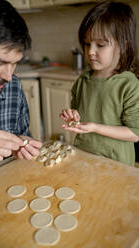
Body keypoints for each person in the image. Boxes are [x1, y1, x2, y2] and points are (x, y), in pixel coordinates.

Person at [60, 1, 139, 166]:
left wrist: (95, 128)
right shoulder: (82, 81)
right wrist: (72, 116)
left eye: (100, 45)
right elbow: (79, 112)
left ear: (123, 45)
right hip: (83, 156)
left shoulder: (129, 85)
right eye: (87, 43)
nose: (90, 51)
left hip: (116, 164)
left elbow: (134, 133)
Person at [0, 0, 42, 172]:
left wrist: (20, 148)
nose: (8, 76)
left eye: (15, 64)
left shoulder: (13, 89)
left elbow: (22, 137)